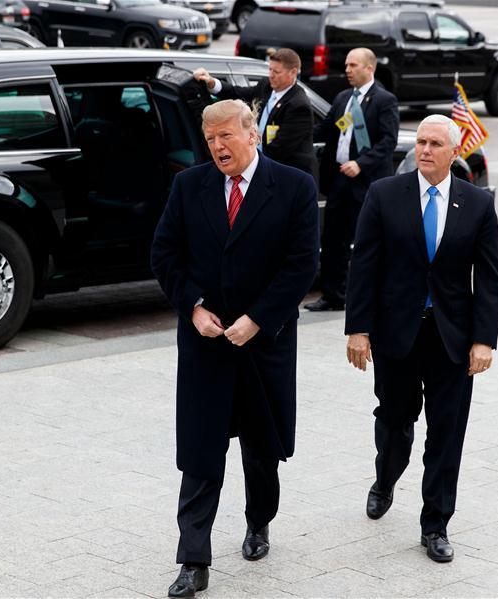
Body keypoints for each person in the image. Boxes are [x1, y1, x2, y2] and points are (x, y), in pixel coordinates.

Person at [150, 99, 319, 598]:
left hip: (262, 346)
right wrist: (194, 307)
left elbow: (301, 265)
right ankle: (193, 560)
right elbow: (164, 254)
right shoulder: (189, 186)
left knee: (261, 451)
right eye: (210, 139)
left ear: (252, 133)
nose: (218, 147)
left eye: (226, 136)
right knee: (201, 453)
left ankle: (258, 522)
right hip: (206, 346)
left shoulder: (293, 187)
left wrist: (259, 320)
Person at [344, 114, 498, 563]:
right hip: (397, 334)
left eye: (435, 143)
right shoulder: (385, 194)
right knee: (395, 420)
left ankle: (435, 524)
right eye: (422, 143)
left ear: (455, 152)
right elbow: (365, 267)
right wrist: (358, 328)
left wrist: (483, 340)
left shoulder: (477, 204)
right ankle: (386, 477)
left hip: (452, 338)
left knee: (447, 433)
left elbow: (489, 280)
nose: (425, 150)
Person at [304, 47, 399, 312]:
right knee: (334, 240)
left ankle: (367, 296)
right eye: (346, 65)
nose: (347, 70)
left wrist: (361, 163)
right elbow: (327, 129)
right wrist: (297, 132)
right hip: (339, 181)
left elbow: (387, 142)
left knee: (366, 242)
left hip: (366, 183)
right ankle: (333, 296)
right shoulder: (343, 98)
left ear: (370, 68)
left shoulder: (384, 100)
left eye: (353, 65)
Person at [193, 48, 317, 178]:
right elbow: (238, 93)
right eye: (270, 70)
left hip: (288, 175)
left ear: (293, 72)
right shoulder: (266, 86)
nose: (271, 75)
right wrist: (211, 82)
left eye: (276, 72)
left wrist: (245, 159)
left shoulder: (298, 106)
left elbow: (278, 150)